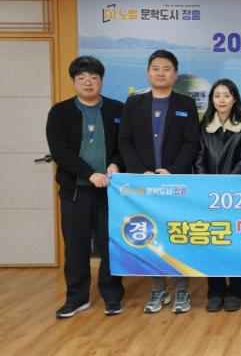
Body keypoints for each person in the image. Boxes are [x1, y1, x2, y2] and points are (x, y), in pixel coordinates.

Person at [118, 49, 199, 314]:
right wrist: (140, 171)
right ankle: (158, 290)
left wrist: (173, 171)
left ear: (175, 75)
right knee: (150, 235)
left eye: (166, 69)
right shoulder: (134, 103)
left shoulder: (186, 104)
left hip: (176, 183)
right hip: (143, 184)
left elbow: (191, 143)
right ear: (147, 73)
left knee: (178, 235)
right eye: (155, 68)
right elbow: (124, 141)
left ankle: (182, 291)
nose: (161, 73)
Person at [46, 56, 125, 318]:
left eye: (93, 78)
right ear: (74, 81)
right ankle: (77, 297)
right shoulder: (59, 112)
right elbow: (60, 152)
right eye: (82, 78)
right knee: (76, 246)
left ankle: (112, 295)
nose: (88, 82)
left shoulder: (117, 109)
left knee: (110, 244)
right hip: (76, 190)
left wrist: (115, 164)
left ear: (101, 80)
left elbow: (125, 145)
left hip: (110, 191)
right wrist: (89, 174)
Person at [194, 79, 241, 313]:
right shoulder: (204, 125)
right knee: (212, 243)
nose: (222, 100)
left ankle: (235, 291)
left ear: (234, 98)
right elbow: (198, 157)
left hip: (236, 194)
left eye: (226, 95)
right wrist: (209, 185)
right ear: (212, 100)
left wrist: (228, 184)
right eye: (217, 96)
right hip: (208, 195)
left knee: (235, 243)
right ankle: (215, 291)